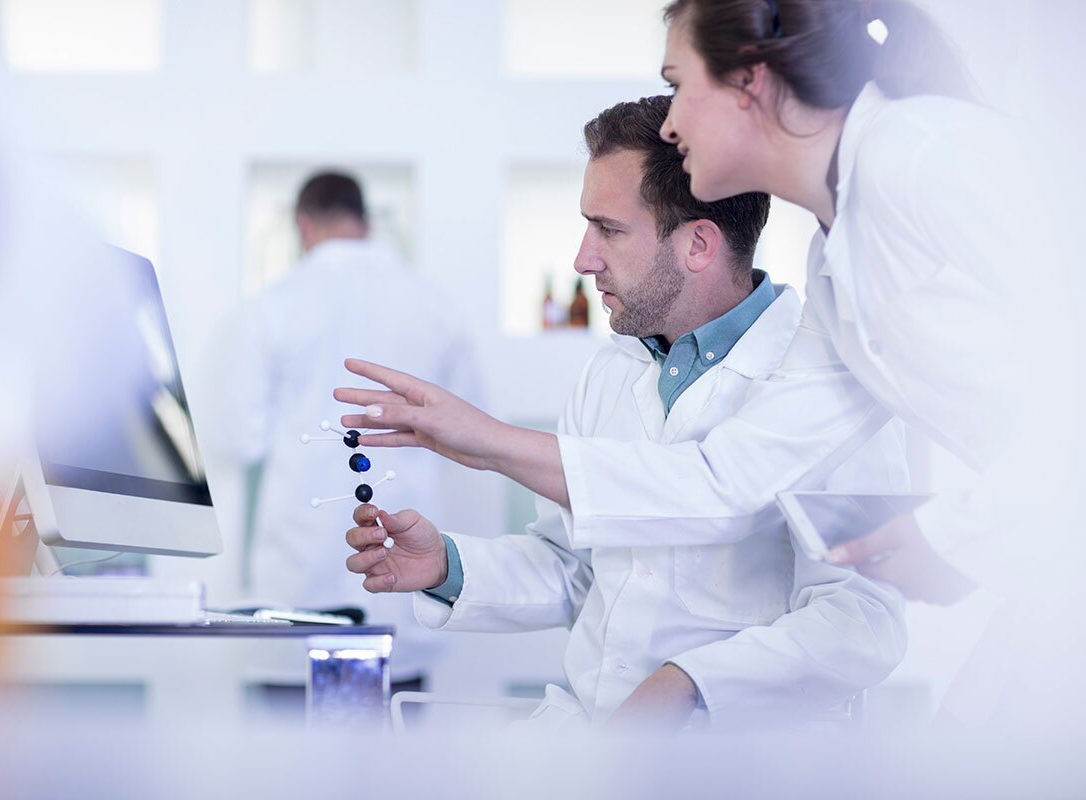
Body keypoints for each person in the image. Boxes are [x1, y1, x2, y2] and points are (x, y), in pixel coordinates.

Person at [336, 1, 1080, 724]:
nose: (671, 120)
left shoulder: (924, 155)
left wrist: (956, 533)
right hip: (1043, 574)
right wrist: (455, 552)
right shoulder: (835, 264)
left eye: (677, 82)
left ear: (748, 79)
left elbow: (1065, 382)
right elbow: (722, 485)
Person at [342, 96, 909, 730]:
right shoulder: (613, 370)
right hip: (587, 737)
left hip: (738, 758)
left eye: (608, 229)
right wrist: (448, 566)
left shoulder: (827, 376)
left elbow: (860, 620)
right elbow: (577, 567)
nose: (582, 259)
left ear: (698, 243)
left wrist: (694, 680)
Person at [205, 170, 483, 692]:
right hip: (403, 576)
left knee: (291, 767)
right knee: (391, 763)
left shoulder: (274, 306)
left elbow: (238, 437)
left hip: (300, 581)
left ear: (302, 225)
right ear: (364, 221)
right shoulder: (435, 307)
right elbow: (472, 434)